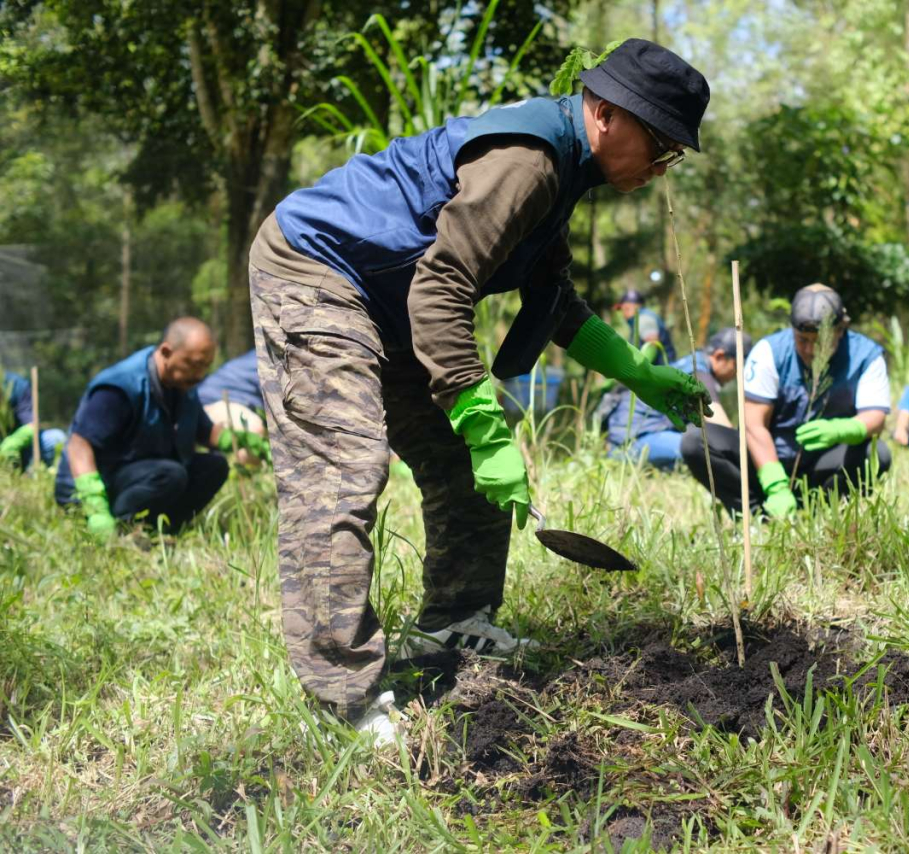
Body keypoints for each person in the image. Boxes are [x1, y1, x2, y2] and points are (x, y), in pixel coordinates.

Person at [247, 38, 712, 744]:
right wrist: (482, 419)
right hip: (318, 268)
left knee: (462, 463)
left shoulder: (565, 170)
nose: (658, 168)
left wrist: (637, 372)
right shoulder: (528, 162)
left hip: (388, 296)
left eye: (672, 156)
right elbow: (443, 285)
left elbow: (551, 297)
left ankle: (455, 624)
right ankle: (341, 697)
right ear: (608, 114)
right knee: (343, 470)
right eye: (660, 146)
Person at [681, 284, 891, 519]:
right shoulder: (769, 352)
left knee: (877, 455)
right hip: (766, 463)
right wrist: (775, 483)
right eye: (802, 340)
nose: (810, 349)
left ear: (840, 330)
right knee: (696, 440)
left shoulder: (867, 356)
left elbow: (876, 417)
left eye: (819, 341)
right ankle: (756, 515)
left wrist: (842, 429)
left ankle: (824, 511)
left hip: (823, 467)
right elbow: (753, 425)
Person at [53, 318, 267, 537]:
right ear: (166, 352)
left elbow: (205, 431)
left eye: (206, 366)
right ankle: (121, 530)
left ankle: (161, 532)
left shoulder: (182, 384)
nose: (200, 374)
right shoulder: (120, 387)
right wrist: (95, 506)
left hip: (142, 475)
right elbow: (79, 446)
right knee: (171, 474)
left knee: (215, 467)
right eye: (194, 364)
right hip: (93, 486)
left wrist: (243, 441)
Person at [601, 328, 749, 468]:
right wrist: (748, 453)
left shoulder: (691, 362)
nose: (736, 374)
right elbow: (720, 424)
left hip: (628, 439)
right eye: (736, 366)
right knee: (706, 450)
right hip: (631, 444)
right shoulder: (698, 372)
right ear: (720, 356)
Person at [197, 349, 268, 466]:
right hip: (211, 403)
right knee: (254, 431)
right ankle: (242, 471)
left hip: (237, 403)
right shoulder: (273, 358)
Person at [0, 370, 67, 469]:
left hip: (25, 447)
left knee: (57, 438)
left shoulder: (16, 385)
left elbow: (31, 425)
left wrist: (13, 442)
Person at [614, 288, 677, 364]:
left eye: (623, 309)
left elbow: (652, 345)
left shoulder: (643, 319)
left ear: (630, 307)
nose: (623, 314)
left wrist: (637, 366)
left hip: (663, 368)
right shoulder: (640, 319)